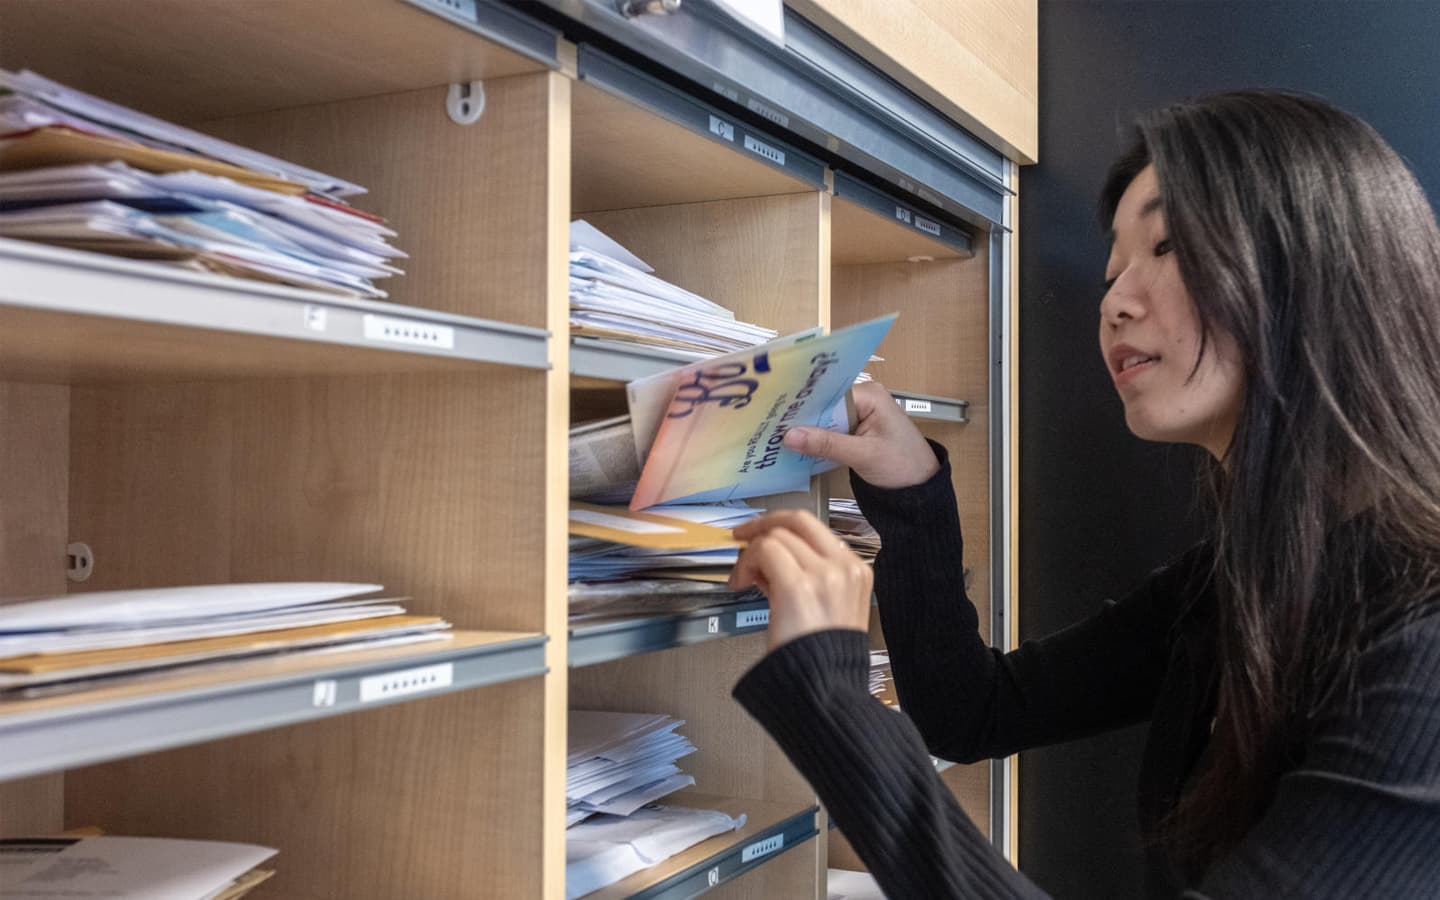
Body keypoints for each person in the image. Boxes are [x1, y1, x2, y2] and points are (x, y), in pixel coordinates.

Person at [727, 89, 1440, 898]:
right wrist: (913, 491)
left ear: (1320, 263)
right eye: (1113, 271)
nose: (1114, 301)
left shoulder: (1422, 646)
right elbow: (971, 711)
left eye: (1168, 246)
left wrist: (828, 696)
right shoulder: (1238, 581)